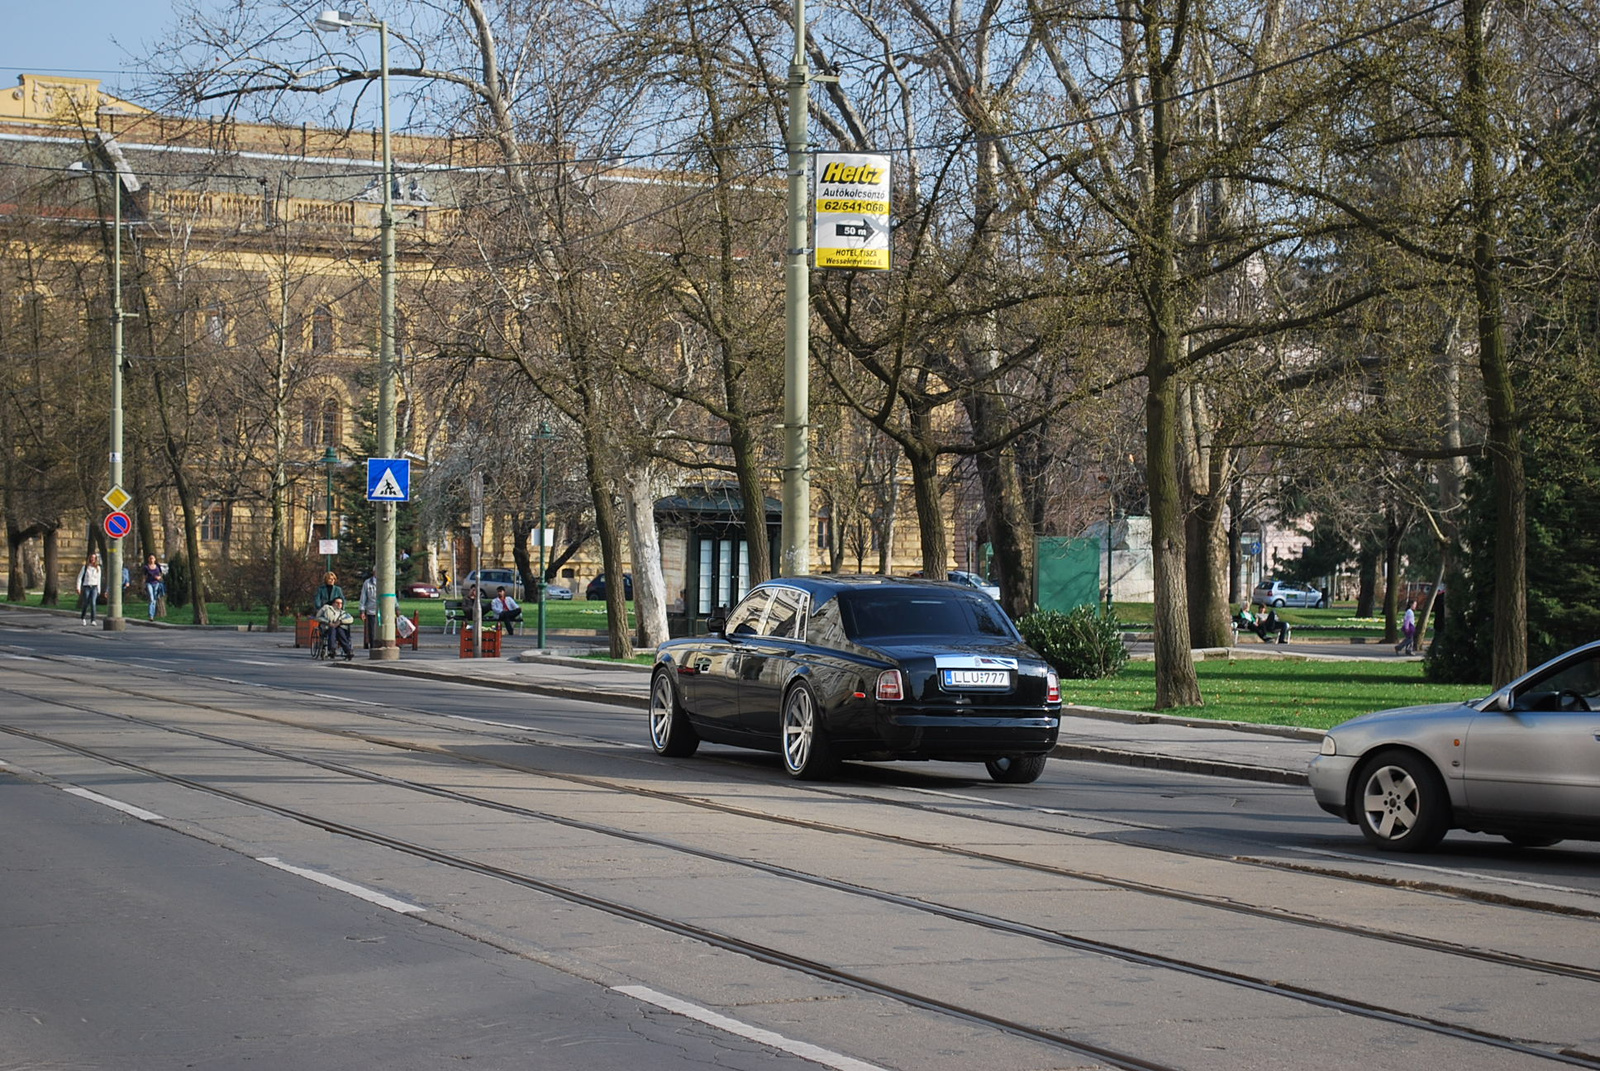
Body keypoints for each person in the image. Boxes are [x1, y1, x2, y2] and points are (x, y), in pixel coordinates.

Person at [316, 596, 355, 660]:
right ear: (333, 603)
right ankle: (332, 649)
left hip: (339, 629)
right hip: (327, 628)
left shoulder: (343, 612)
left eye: (341, 603)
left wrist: (340, 621)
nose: (339, 605)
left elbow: (351, 619)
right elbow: (318, 617)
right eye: (338, 603)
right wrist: (328, 622)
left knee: (339, 630)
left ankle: (348, 650)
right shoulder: (326, 608)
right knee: (332, 629)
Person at [76, 552, 102, 626]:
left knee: (93, 603)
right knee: (86, 602)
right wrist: (78, 587)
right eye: (92, 558)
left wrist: (99, 590)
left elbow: (98, 579)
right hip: (86, 586)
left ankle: (93, 620)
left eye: (94, 558)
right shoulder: (85, 567)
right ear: (89, 558)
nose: (93, 559)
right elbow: (80, 577)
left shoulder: (98, 568)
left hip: (94, 587)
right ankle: (83, 617)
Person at [142, 554, 165, 621]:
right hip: (149, 583)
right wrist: (143, 584)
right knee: (151, 599)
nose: (151, 560)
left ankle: (152, 615)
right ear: (148, 559)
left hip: (156, 583)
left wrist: (159, 577)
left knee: (154, 600)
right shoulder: (146, 567)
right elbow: (144, 576)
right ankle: (151, 615)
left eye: (153, 558)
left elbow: (161, 574)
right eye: (150, 558)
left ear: (155, 559)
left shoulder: (157, 566)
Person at [359, 571, 379, 648]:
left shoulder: (386, 581)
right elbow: (363, 597)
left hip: (384, 611)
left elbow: (392, 595)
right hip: (372, 611)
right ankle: (373, 646)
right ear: (374, 572)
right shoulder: (367, 583)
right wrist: (362, 611)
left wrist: (396, 607)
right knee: (372, 631)